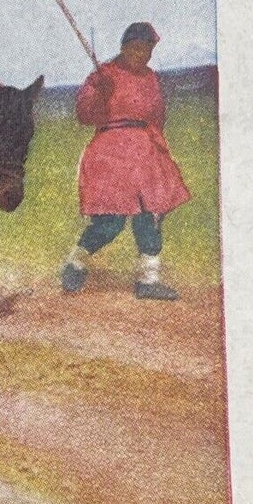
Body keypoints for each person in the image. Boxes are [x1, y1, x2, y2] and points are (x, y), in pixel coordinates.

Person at [60, 21, 190, 300]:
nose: (141, 55)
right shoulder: (103, 74)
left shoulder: (151, 79)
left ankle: (148, 280)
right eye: (135, 48)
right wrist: (100, 95)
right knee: (111, 221)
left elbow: (157, 117)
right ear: (124, 47)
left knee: (151, 214)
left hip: (145, 153)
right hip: (111, 153)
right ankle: (76, 262)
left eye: (147, 49)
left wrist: (159, 154)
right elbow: (84, 115)